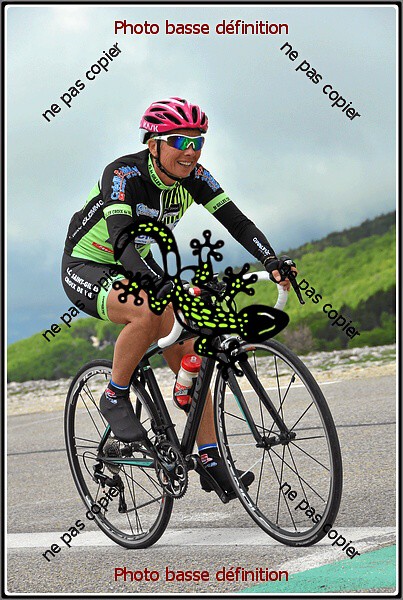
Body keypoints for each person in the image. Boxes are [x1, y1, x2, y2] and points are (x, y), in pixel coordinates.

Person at [62, 97, 296, 496]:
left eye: (198, 142)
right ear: (154, 144)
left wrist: (271, 258)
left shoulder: (196, 177)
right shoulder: (122, 175)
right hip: (90, 263)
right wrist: (159, 284)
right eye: (180, 141)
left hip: (139, 264)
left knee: (194, 346)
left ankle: (210, 457)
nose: (191, 151)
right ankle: (114, 395)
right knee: (147, 312)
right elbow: (121, 242)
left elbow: (238, 223)